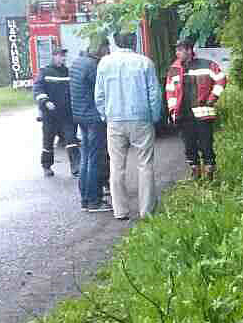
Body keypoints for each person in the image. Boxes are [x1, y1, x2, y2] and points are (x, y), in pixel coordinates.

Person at [94, 32, 163, 220]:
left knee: (117, 166)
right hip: (141, 119)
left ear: (115, 42)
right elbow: (154, 94)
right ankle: (146, 210)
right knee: (145, 165)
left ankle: (120, 211)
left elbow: (99, 95)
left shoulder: (104, 63)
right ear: (134, 42)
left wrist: (104, 115)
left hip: (114, 120)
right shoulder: (145, 62)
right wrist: (154, 116)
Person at [164, 36, 227, 180]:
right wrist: (173, 111)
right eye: (176, 50)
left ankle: (210, 174)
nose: (177, 53)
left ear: (189, 50)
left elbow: (221, 79)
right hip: (183, 115)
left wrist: (212, 98)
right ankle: (195, 173)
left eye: (180, 50)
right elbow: (170, 91)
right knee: (189, 146)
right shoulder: (174, 69)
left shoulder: (206, 65)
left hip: (203, 114)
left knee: (206, 144)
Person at [69, 37, 111, 212]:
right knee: (94, 159)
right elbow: (102, 90)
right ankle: (94, 201)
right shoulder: (92, 66)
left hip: (80, 117)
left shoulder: (77, 62)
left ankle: (86, 199)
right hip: (93, 117)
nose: (108, 52)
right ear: (99, 47)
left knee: (86, 158)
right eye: (106, 48)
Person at [32, 47, 79, 178]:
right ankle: (46, 166)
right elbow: (37, 89)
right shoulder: (45, 72)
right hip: (50, 115)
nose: (63, 58)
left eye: (64, 56)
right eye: (60, 55)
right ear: (54, 56)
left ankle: (76, 167)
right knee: (48, 142)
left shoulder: (68, 72)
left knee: (72, 140)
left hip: (67, 114)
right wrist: (46, 102)